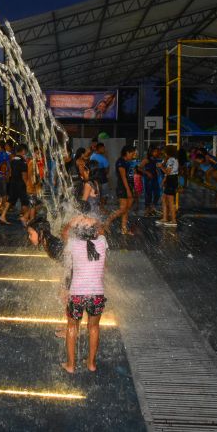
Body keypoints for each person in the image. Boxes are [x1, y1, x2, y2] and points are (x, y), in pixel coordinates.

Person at [61, 215, 108, 373]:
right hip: (97, 295)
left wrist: (71, 222)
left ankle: (71, 365)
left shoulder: (73, 245)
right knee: (94, 327)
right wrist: (93, 220)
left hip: (77, 295)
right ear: (94, 233)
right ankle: (91, 363)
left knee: (72, 326)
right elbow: (102, 230)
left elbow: (64, 233)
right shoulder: (101, 243)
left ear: (78, 233)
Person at [106, 146, 137, 235]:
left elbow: (130, 176)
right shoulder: (121, 162)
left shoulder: (128, 162)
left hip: (129, 187)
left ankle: (124, 229)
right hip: (123, 187)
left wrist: (132, 188)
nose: (133, 155)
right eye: (132, 153)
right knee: (122, 209)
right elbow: (123, 178)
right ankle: (107, 222)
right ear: (127, 152)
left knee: (126, 209)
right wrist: (128, 190)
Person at [0, 144, 29, 225]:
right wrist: (27, 185)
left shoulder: (12, 160)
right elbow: (24, 176)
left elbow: (9, 172)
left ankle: (3, 216)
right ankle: (25, 218)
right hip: (20, 184)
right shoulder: (23, 161)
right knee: (25, 201)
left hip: (13, 182)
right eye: (26, 151)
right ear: (23, 151)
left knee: (10, 200)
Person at [157, 145, 179, 227]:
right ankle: (165, 218)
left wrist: (161, 166)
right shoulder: (173, 159)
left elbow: (168, 172)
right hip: (172, 179)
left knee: (170, 201)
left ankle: (173, 220)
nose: (163, 152)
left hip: (171, 180)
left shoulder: (171, 160)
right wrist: (164, 180)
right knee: (164, 198)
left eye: (165, 151)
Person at [139, 146, 161, 216]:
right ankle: (147, 210)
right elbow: (139, 168)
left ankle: (152, 208)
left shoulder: (155, 159)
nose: (157, 152)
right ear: (151, 152)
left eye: (157, 151)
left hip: (154, 178)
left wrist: (156, 171)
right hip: (148, 179)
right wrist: (147, 173)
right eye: (155, 151)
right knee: (148, 194)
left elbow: (155, 167)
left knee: (157, 193)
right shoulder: (146, 160)